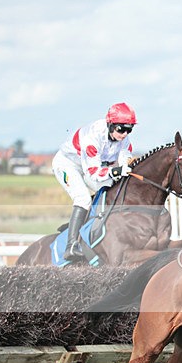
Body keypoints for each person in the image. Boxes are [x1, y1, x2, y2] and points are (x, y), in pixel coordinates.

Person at [52, 102, 137, 261]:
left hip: (92, 166)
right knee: (83, 198)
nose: (125, 134)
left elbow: (124, 156)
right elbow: (93, 173)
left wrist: (124, 166)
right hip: (68, 165)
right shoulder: (92, 137)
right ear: (110, 124)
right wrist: (116, 171)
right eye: (121, 129)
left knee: (110, 188)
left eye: (129, 129)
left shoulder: (124, 139)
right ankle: (71, 245)